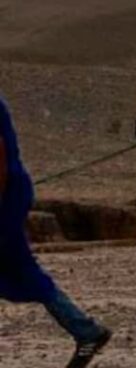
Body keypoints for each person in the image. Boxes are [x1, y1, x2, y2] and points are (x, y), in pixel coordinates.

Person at [0, 95, 112, 368]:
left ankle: (85, 330)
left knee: (21, 267)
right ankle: (85, 330)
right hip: (9, 192)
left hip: (5, 197)